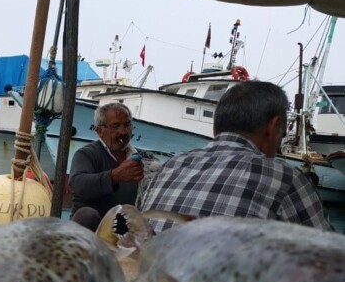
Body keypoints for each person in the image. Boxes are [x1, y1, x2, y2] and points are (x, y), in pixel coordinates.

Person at [141, 80, 332, 232]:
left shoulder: (171, 166)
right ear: (273, 127)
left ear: (215, 128)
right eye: (283, 133)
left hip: (153, 276)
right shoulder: (286, 179)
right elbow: (329, 258)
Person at [69, 102, 145, 230]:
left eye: (127, 125)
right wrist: (115, 176)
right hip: (91, 232)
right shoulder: (86, 154)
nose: (123, 131)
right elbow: (78, 184)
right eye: (115, 126)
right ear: (100, 131)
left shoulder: (142, 157)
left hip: (124, 230)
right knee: (87, 215)